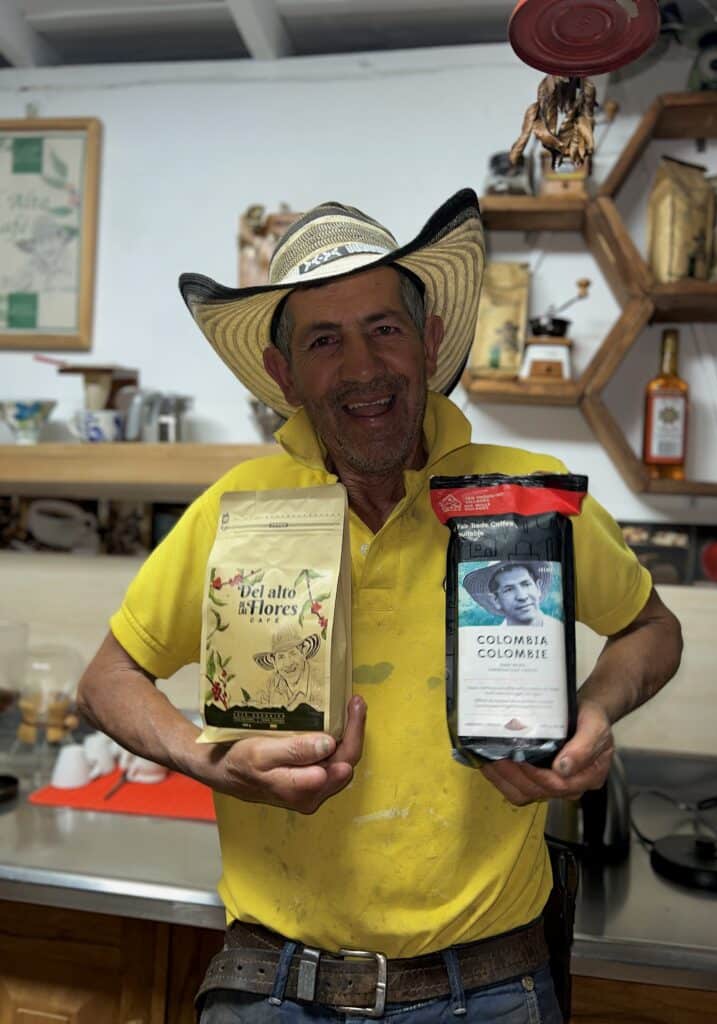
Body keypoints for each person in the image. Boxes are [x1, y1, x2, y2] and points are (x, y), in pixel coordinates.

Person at [77, 189, 683, 1024]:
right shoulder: (237, 509)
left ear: (429, 341)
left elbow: (652, 628)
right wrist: (204, 758)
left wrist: (594, 709)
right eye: (325, 340)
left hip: (494, 986)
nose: (362, 366)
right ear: (284, 375)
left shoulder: (527, 496)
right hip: (276, 988)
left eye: (385, 328)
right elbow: (109, 676)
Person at [464, 561, 558, 626]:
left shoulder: (557, 631)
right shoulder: (495, 643)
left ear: (538, 587)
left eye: (526, 584)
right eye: (509, 589)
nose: (522, 596)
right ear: (495, 600)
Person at [253, 626, 323, 712]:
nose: (288, 663)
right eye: (281, 657)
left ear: (303, 652)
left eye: (293, 653)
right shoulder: (272, 684)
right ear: (274, 662)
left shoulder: (321, 680)